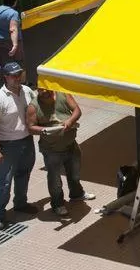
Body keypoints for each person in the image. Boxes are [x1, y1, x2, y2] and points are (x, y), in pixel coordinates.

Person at [27, 88, 93, 217]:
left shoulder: (63, 94)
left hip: (71, 144)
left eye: (46, 88)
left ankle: (77, 194)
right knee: (55, 179)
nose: (44, 91)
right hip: (52, 150)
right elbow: (30, 128)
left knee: (74, 173)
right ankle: (57, 204)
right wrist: (44, 130)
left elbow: (77, 110)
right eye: (40, 89)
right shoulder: (33, 107)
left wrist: (70, 121)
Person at [0, 62, 37, 230]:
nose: (17, 78)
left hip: (26, 142)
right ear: (5, 77)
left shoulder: (27, 91)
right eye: (13, 75)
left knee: (24, 174)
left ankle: (21, 203)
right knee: (4, 182)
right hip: (7, 146)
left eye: (19, 74)